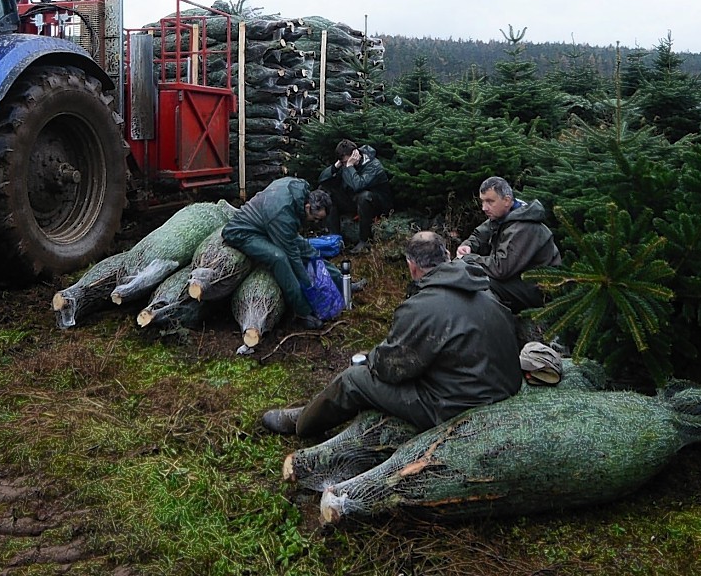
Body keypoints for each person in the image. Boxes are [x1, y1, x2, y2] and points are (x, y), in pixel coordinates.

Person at [260, 230, 521, 439]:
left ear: (412, 266)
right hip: (500, 388)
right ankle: (308, 411)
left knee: (354, 379)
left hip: (456, 405)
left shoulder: (422, 307)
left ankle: (301, 425)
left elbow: (391, 369)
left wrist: (370, 358)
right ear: (448, 255)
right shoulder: (484, 290)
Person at [222, 177, 344, 329]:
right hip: (244, 233)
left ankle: (341, 280)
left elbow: (299, 247)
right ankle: (302, 313)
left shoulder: (300, 188)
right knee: (279, 259)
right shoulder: (283, 215)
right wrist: (309, 285)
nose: (315, 222)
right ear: (307, 207)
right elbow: (293, 257)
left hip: (268, 225)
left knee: (307, 249)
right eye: (315, 218)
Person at [455, 176, 562, 314]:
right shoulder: (501, 216)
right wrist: (468, 245)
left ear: (506, 200)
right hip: (518, 279)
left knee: (481, 281)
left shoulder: (525, 226)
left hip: (540, 288)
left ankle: (498, 324)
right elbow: (479, 235)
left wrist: (468, 259)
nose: (484, 208)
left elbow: (501, 268)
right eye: (482, 201)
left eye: (489, 202)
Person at [317, 139, 393, 253]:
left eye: (346, 162)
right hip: (354, 200)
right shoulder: (346, 164)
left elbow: (358, 185)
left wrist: (349, 166)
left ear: (355, 154)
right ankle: (334, 239)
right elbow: (322, 180)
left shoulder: (374, 165)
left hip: (377, 203)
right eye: (343, 163)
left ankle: (365, 241)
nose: (345, 165)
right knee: (326, 191)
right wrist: (335, 167)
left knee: (364, 196)